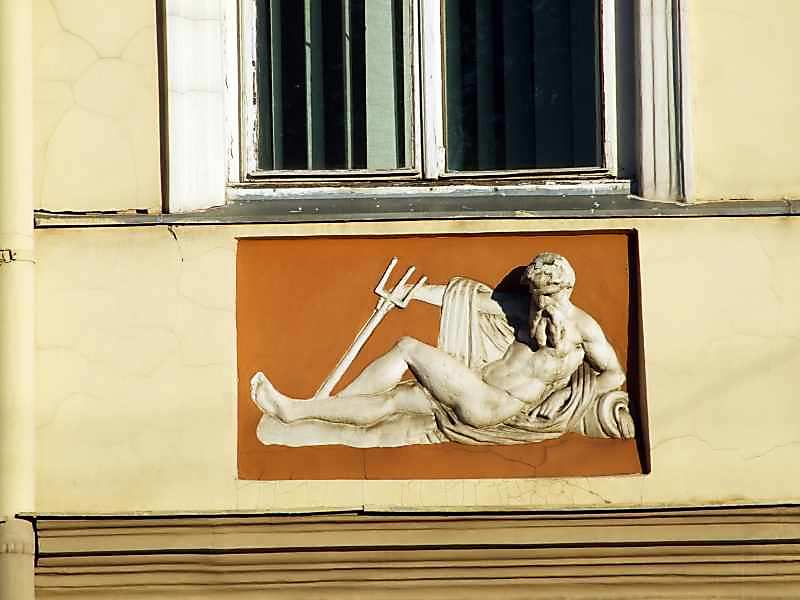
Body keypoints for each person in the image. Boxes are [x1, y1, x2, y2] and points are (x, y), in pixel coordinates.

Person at [251, 252, 631, 446]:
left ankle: (319, 408)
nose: (539, 302)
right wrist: (413, 292)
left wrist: (566, 396)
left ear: (565, 289)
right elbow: (465, 299)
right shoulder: (525, 307)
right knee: (392, 402)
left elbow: (615, 373)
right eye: (535, 294)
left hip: (491, 405)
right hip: (476, 388)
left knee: (407, 348)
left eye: (547, 294)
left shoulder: (583, 329)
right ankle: (301, 411)